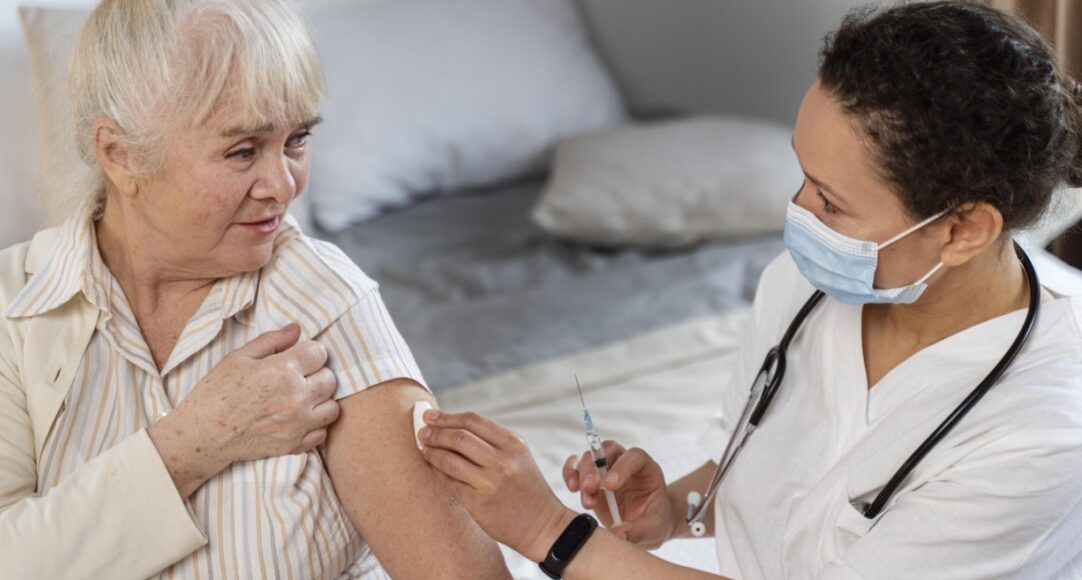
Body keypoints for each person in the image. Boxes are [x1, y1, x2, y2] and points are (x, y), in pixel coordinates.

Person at [418, 2, 1082, 578]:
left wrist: (547, 532)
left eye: (830, 201)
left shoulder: (1044, 435)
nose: (797, 211)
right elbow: (784, 474)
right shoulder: (804, 287)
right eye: (803, 176)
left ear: (963, 229)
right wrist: (677, 507)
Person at [0, 0, 510, 578]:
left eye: (296, 140)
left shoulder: (321, 298)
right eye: (242, 151)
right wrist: (196, 441)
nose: (281, 184)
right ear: (119, 156)